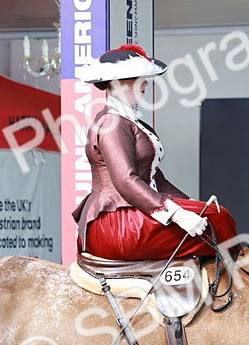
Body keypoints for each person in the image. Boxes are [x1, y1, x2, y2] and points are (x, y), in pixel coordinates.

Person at [73, 44, 237, 260]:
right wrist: (177, 214)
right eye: (139, 78)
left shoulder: (129, 121)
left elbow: (154, 178)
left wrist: (190, 204)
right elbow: (125, 180)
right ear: (118, 83)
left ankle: (213, 287)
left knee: (213, 215)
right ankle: (234, 288)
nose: (146, 84)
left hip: (132, 213)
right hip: (115, 222)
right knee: (219, 220)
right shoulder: (112, 122)